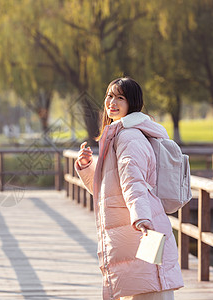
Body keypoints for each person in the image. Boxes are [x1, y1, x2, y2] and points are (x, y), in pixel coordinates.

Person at [75, 77, 184, 300]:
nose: (112, 102)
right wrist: (87, 166)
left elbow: (134, 182)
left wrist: (142, 219)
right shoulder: (119, 134)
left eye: (120, 97)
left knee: (147, 287)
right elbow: (108, 189)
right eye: (109, 96)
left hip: (137, 228)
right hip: (132, 227)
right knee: (141, 287)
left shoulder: (128, 136)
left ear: (132, 103)